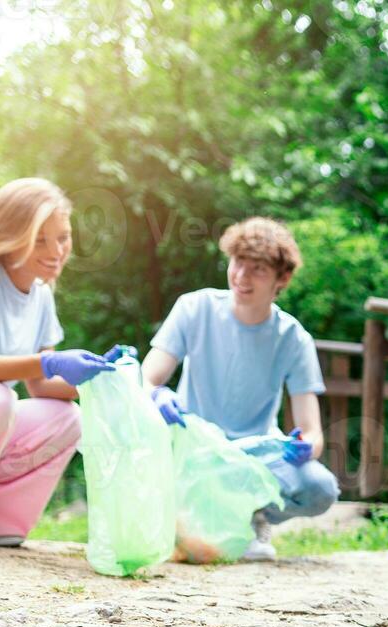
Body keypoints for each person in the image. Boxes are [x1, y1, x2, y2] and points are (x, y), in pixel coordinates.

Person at [141, 217, 337, 561]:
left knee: (320, 488)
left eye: (258, 269)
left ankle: (253, 517)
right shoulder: (194, 307)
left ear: (283, 278)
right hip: (193, 447)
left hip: (255, 457)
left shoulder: (292, 338)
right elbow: (147, 378)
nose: (241, 277)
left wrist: (305, 447)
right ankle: (186, 520)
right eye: (237, 263)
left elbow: (312, 431)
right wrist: (157, 394)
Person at [0, 178, 116, 551]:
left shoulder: (41, 295)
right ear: (12, 235)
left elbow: (40, 387)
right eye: (40, 239)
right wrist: (48, 361)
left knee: (65, 417)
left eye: (63, 237)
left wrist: (104, 380)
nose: (56, 251)